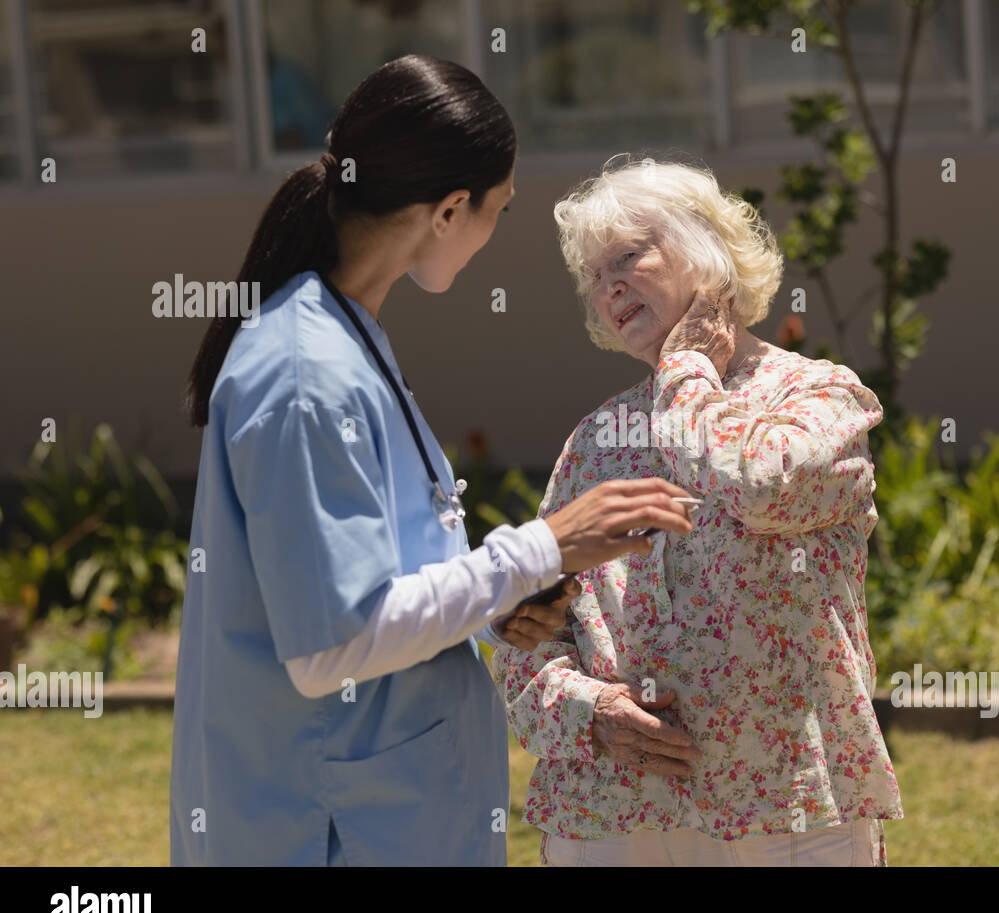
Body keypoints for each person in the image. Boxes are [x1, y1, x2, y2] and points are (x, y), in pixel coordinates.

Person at [170, 59, 694, 866]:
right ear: (451, 209)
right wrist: (540, 547)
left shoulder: (346, 336)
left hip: (389, 815)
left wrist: (502, 601)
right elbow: (330, 648)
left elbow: (380, 580)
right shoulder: (307, 372)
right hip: (329, 829)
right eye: (499, 210)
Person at [492, 156, 903, 866]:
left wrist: (686, 371)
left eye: (628, 255)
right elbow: (525, 635)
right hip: (616, 807)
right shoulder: (595, 441)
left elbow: (758, 486)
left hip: (788, 803)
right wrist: (590, 713)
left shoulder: (818, 397)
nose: (608, 285)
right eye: (594, 276)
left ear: (709, 255)